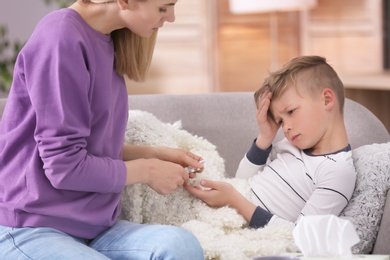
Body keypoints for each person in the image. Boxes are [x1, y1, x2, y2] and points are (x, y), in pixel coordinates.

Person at [0, 0, 205, 259]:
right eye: (164, 7)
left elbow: (85, 149)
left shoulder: (107, 40)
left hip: (95, 229)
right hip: (32, 226)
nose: (171, 17)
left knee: (181, 245)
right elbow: (63, 166)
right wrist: (147, 170)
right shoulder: (61, 37)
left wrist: (154, 154)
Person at [186, 55, 357, 229]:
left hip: (243, 230)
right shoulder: (289, 145)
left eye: (290, 111)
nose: (286, 127)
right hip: (222, 212)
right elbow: (242, 181)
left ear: (327, 99)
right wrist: (265, 138)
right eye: (281, 121)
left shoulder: (337, 172)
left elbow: (302, 236)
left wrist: (235, 201)